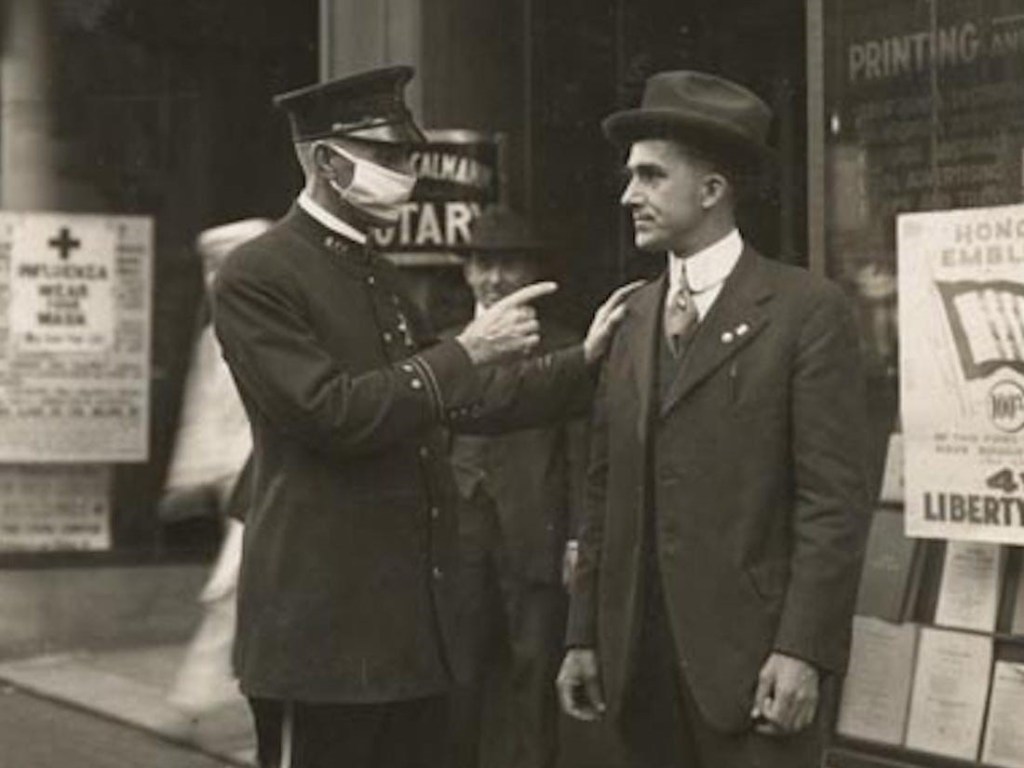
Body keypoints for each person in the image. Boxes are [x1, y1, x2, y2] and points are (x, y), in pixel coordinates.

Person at [211, 66, 636, 768]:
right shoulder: (259, 274)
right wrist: (466, 352)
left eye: (409, 156)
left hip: (408, 638)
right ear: (327, 162)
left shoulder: (376, 273)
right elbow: (330, 413)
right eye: (388, 156)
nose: (406, 174)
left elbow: (459, 403)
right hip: (322, 642)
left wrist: (581, 363)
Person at [555, 70, 871, 768]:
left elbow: (833, 505)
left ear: (711, 190)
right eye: (631, 176)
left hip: (754, 667)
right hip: (638, 667)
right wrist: (582, 634)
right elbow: (602, 492)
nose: (628, 195)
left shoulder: (805, 312)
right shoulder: (632, 316)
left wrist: (802, 649)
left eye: (650, 176)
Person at [446, 206, 587, 768]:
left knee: (535, 676)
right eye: (483, 264)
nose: (496, 278)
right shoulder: (447, 345)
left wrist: (577, 536)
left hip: (534, 534)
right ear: (467, 272)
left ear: (532, 271)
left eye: (509, 264)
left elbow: (580, 452)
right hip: (457, 537)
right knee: (457, 679)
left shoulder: (567, 346)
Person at [164, 219, 269, 720]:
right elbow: (202, 410)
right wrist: (190, 476)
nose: (214, 278)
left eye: (224, 266)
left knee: (238, 583)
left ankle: (201, 697)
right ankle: (202, 697)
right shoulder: (215, 338)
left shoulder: (271, 328)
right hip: (238, 480)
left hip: (267, 476)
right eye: (210, 267)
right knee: (238, 584)